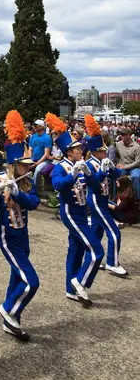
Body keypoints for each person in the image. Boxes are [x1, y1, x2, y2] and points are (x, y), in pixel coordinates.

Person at [0, 110, 39, 342]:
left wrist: (18, 194)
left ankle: (11, 322)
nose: (28, 168)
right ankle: (9, 309)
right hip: (8, 238)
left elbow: (33, 203)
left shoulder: (27, 182)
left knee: (17, 278)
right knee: (31, 281)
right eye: (24, 165)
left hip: (23, 236)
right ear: (14, 165)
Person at [48, 113, 104, 309]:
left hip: (81, 212)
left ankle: (70, 289)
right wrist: (72, 174)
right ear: (68, 152)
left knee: (76, 249)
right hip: (70, 213)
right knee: (97, 250)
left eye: (79, 147)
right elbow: (57, 185)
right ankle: (80, 282)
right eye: (77, 148)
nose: (81, 150)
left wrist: (89, 174)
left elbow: (97, 188)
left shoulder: (84, 164)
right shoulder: (60, 167)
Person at [84, 115, 127, 278]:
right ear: (96, 151)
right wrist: (102, 171)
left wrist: (111, 166)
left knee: (96, 231)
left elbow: (118, 175)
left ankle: (93, 257)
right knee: (114, 232)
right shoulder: (89, 164)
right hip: (96, 199)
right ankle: (112, 263)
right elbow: (94, 183)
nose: (105, 151)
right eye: (102, 150)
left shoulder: (104, 160)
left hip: (102, 199)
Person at [115, 128, 140, 201]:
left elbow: (138, 161)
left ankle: (137, 199)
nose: (121, 136)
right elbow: (117, 155)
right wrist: (117, 163)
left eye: (123, 135)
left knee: (136, 176)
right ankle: (117, 196)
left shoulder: (137, 147)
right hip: (122, 166)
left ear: (129, 135)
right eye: (120, 134)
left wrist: (125, 167)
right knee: (115, 174)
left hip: (134, 167)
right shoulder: (119, 144)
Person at [28, 119, 53, 187]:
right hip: (33, 159)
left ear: (41, 127)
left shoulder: (47, 138)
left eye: (36, 125)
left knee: (38, 170)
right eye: (34, 125)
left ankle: (35, 189)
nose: (34, 127)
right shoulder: (32, 137)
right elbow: (30, 149)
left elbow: (46, 154)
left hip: (44, 160)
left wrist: (37, 163)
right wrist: (30, 159)